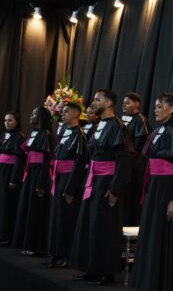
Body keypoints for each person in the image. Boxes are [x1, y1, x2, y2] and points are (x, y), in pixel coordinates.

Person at [71, 89, 133, 285]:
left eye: (98, 100)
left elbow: (124, 160)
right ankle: (91, 267)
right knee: (90, 225)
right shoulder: (98, 125)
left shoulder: (117, 126)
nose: (94, 102)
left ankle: (105, 271)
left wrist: (115, 189)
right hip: (93, 182)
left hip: (107, 183)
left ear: (108, 103)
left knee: (104, 227)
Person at [132, 93, 173, 291]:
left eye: (159, 106)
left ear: (171, 109)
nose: (155, 109)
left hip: (167, 189)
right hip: (154, 187)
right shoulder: (158, 130)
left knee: (164, 235)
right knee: (151, 232)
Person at [47, 103, 88, 268]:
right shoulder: (63, 131)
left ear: (76, 114)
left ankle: (65, 254)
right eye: (62, 112)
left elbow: (79, 164)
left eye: (66, 112)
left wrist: (71, 189)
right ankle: (55, 252)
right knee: (56, 216)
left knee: (66, 218)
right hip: (58, 178)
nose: (62, 115)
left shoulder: (80, 135)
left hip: (68, 180)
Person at [12, 106, 54, 256]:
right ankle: (26, 242)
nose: (31, 115)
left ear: (41, 117)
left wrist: (41, 182)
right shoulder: (34, 133)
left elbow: (45, 160)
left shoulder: (45, 134)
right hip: (30, 172)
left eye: (34, 114)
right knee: (27, 206)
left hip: (38, 174)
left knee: (35, 209)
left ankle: (35, 246)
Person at [121, 92, 151, 225]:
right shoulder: (122, 119)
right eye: (124, 102)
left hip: (135, 168)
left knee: (132, 199)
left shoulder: (140, 120)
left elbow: (141, 146)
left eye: (127, 102)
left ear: (137, 105)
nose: (124, 104)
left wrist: (132, 164)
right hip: (124, 167)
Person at [0, 112, 26, 246]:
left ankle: (6, 235)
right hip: (2, 170)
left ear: (16, 122)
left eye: (10, 120)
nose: (7, 123)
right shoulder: (4, 135)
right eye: (5, 120)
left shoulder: (20, 137)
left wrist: (14, 178)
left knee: (6, 204)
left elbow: (20, 160)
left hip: (10, 173)